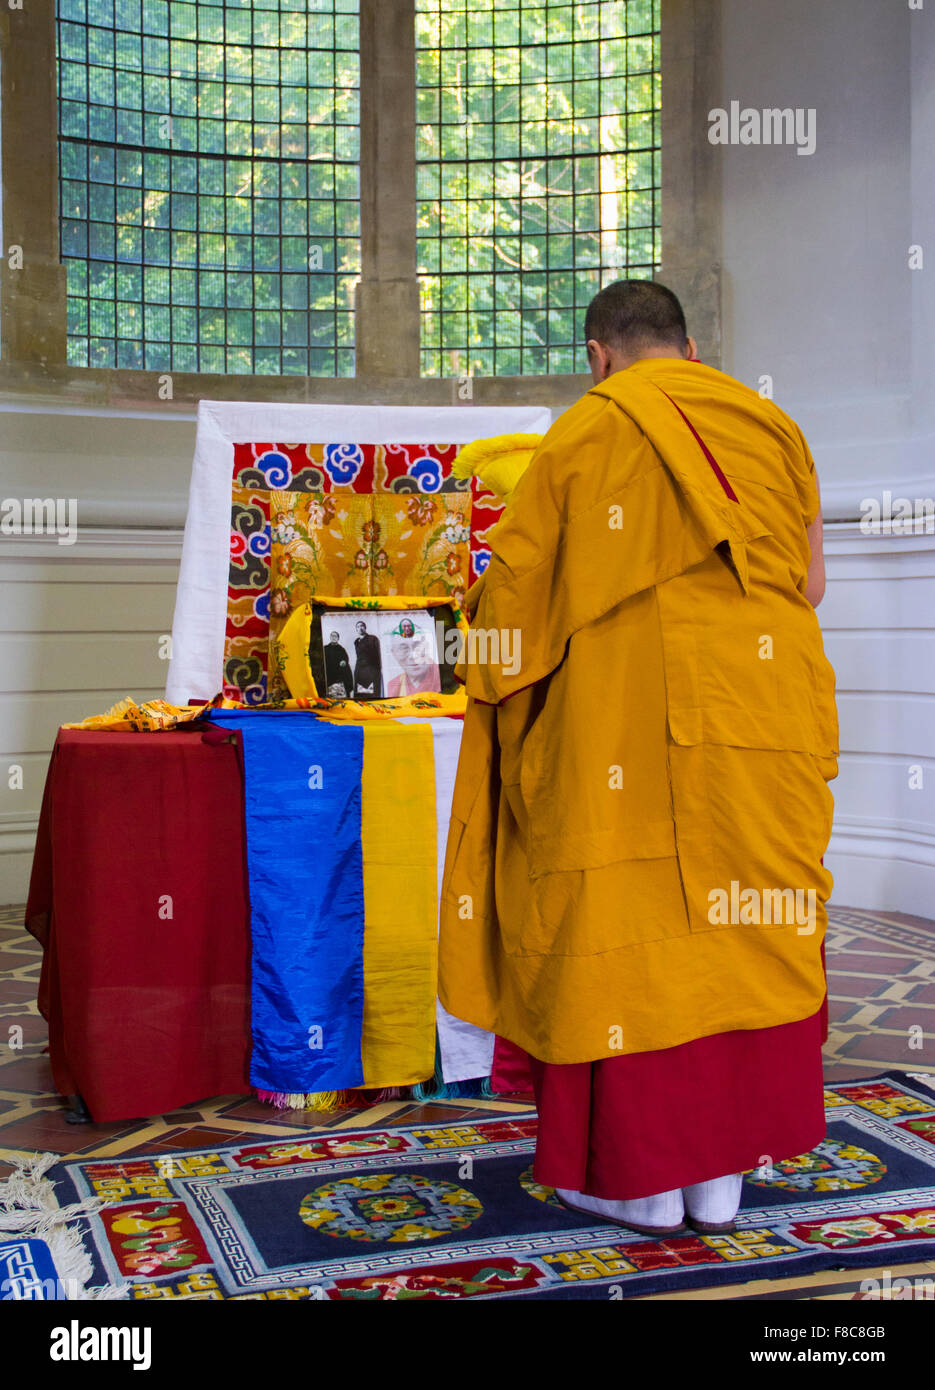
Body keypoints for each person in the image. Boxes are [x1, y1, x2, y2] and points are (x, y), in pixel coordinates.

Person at [438, 279, 838, 1236]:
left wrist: (472, 645)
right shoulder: (771, 427)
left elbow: (516, 621)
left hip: (622, 722)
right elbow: (809, 584)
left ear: (597, 355)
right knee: (742, 924)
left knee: (627, 921)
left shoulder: (586, 431)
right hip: (761, 715)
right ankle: (720, 1184)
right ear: (690, 351)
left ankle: (638, 1184)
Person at [386, 623, 441, 697]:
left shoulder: (442, 675)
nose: (413, 656)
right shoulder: (393, 686)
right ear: (394, 653)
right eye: (404, 648)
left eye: (417, 646)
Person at [352, 619, 383, 698]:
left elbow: (378, 654)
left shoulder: (373, 639)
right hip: (360, 671)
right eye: (358, 627)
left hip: (371, 670)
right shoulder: (356, 642)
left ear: (365, 627)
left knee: (373, 695)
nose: (360, 628)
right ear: (356, 629)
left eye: (362, 626)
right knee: (361, 695)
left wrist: (377, 669)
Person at [322, 630, 353, 698]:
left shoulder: (341, 649)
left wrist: (344, 662)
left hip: (339, 677)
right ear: (330, 637)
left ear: (338, 638)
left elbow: (345, 660)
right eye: (332, 636)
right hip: (328, 675)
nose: (333, 637)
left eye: (335, 636)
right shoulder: (325, 648)